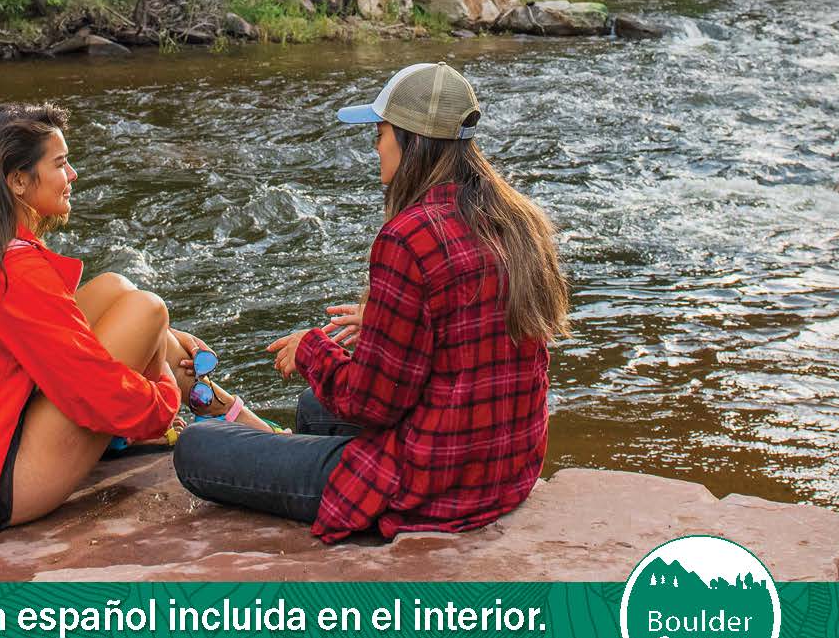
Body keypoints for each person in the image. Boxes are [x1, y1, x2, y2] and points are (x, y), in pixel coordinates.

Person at [173, 62, 570, 542]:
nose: (375, 147)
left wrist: (311, 349)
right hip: (505, 469)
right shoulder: (517, 217)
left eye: (381, 133)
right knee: (311, 409)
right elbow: (466, 328)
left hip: (431, 484)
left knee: (197, 447)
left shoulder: (408, 237)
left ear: (413, 141)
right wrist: (383, 322)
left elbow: (372, 404)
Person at [0, 101, 274, 555]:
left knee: (115, 287)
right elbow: (102, 395)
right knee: (146, 309)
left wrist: (158, 345)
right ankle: (228, 418)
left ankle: (226, 413)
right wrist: (163, 387)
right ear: (19, 181)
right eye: (61, 164)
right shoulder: (15, 273)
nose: (74, 175)